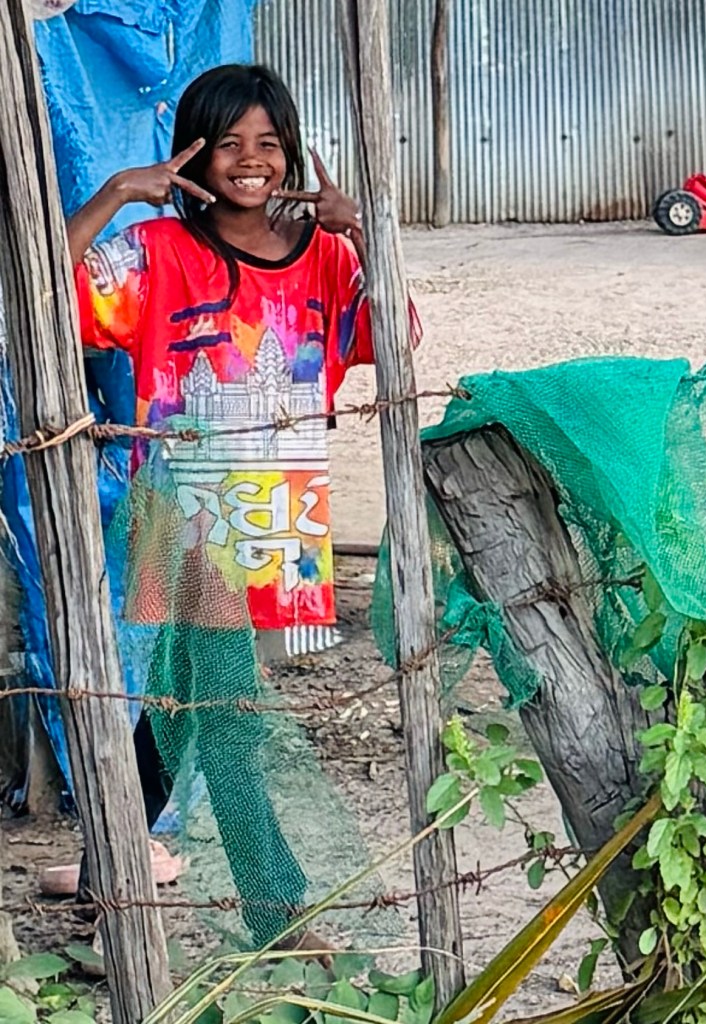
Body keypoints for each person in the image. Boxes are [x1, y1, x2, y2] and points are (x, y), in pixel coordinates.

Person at [66, 63, 417, 955]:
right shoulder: (155, 253)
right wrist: (115, 192)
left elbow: (399, 338)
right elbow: (45, 296)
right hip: (183, 512)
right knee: (228, 715)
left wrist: (365, 233)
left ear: (290, 151)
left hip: (280, 518)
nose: (250, 160)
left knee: (184, 703)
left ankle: (108, 864)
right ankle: (274, 913)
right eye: (228, 143)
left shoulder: (327, 258)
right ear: (193, 154)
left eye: (267, 142)